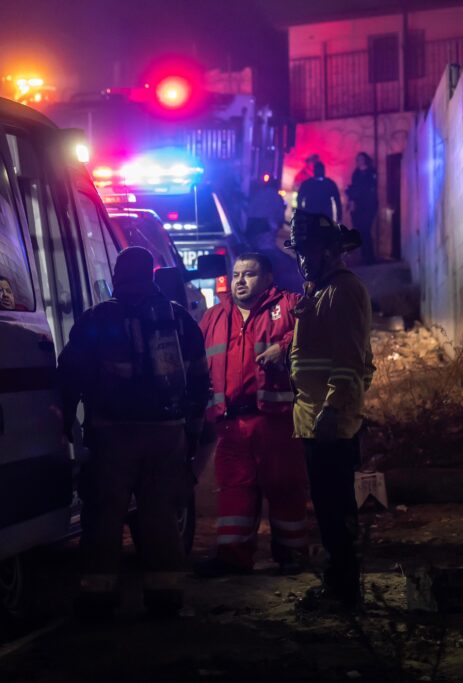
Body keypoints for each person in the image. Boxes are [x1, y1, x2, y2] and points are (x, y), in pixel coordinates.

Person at [58, 246, 209, 618]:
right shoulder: (177, 319)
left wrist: (66, 419)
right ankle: (165, 595)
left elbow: (70, 372)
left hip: (112, 433)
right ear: (152, 275)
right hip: (167, 433)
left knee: (104, 514)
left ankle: (98, 595)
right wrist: (190, 428)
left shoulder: (97, 318)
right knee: (159, 513)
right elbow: (200, 379)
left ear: (116, 275)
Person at [194, 252, 309, 577]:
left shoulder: (289, 306)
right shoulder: (214, 317)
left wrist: (284, 348)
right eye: (236, 275)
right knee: (234, 489)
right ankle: (233, 556)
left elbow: (315, 330)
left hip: (277, 419)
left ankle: (292, 555)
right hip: (230, 424)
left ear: (269, 278)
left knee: (285, 486)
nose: (240, 281)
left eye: (250, 274)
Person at [286, 212, 374, 609]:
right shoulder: (320, 291)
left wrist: (334, 409)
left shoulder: (342, 291)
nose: (304, 259)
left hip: (329, 423)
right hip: (314, 418)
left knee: (336, 509)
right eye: (300, 251)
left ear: (331, 252)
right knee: (326, 507)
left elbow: (349, 359)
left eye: (311, 250)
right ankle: (338, 585)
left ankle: (343, 589)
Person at [345, 152, 378, 265]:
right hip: (358, 207)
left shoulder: (371, 173)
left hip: (368, 206)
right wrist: (351, 201)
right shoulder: (356, 174)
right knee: (360, 231)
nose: (360, 161)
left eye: (361, 159)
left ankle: (369, 257)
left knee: (366, 230)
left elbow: (370, 189)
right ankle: (365, 256)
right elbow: (354, 189)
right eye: (358, 159)